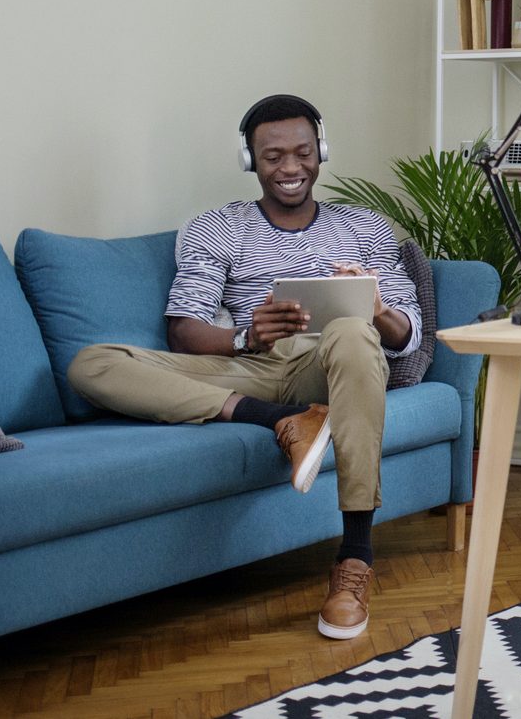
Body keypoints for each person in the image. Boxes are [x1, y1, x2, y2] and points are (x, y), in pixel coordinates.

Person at [66, 94, 419, 640]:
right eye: (273, 156)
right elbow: (182, 328)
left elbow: (405, 336)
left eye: (303, 153)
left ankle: (354, 558)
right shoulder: (216, 228)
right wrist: (244, 334)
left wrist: (374, 308)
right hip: (251, 366)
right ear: (250, 160)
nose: (291, 168)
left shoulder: (365, 228)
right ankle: (280, 417)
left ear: (321, 152)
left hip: (333, 364)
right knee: (93, 364)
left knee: (351, 329)